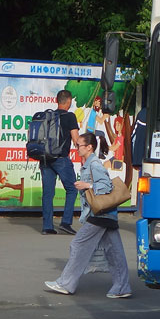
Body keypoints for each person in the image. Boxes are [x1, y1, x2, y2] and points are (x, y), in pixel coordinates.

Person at [44, 132, 132, 298]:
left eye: (79, 145)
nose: (76, 148)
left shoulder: (95, 164)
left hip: (98, 214)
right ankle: (122, 287)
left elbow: (106, 186)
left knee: (78, 245)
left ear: (89, 147)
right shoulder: (90, 163)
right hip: (107, 215)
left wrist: (87, 185)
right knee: (115, 252)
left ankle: (66, 283)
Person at [40, 89, 81, 235]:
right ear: (69, 101)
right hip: (61, 159)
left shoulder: (47, 116)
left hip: (45, 158)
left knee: (48, 193)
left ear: (57, 101)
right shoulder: (70, 116)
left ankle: (47, 227)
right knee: (72, 189)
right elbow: (76, 140)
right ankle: (65, 222)